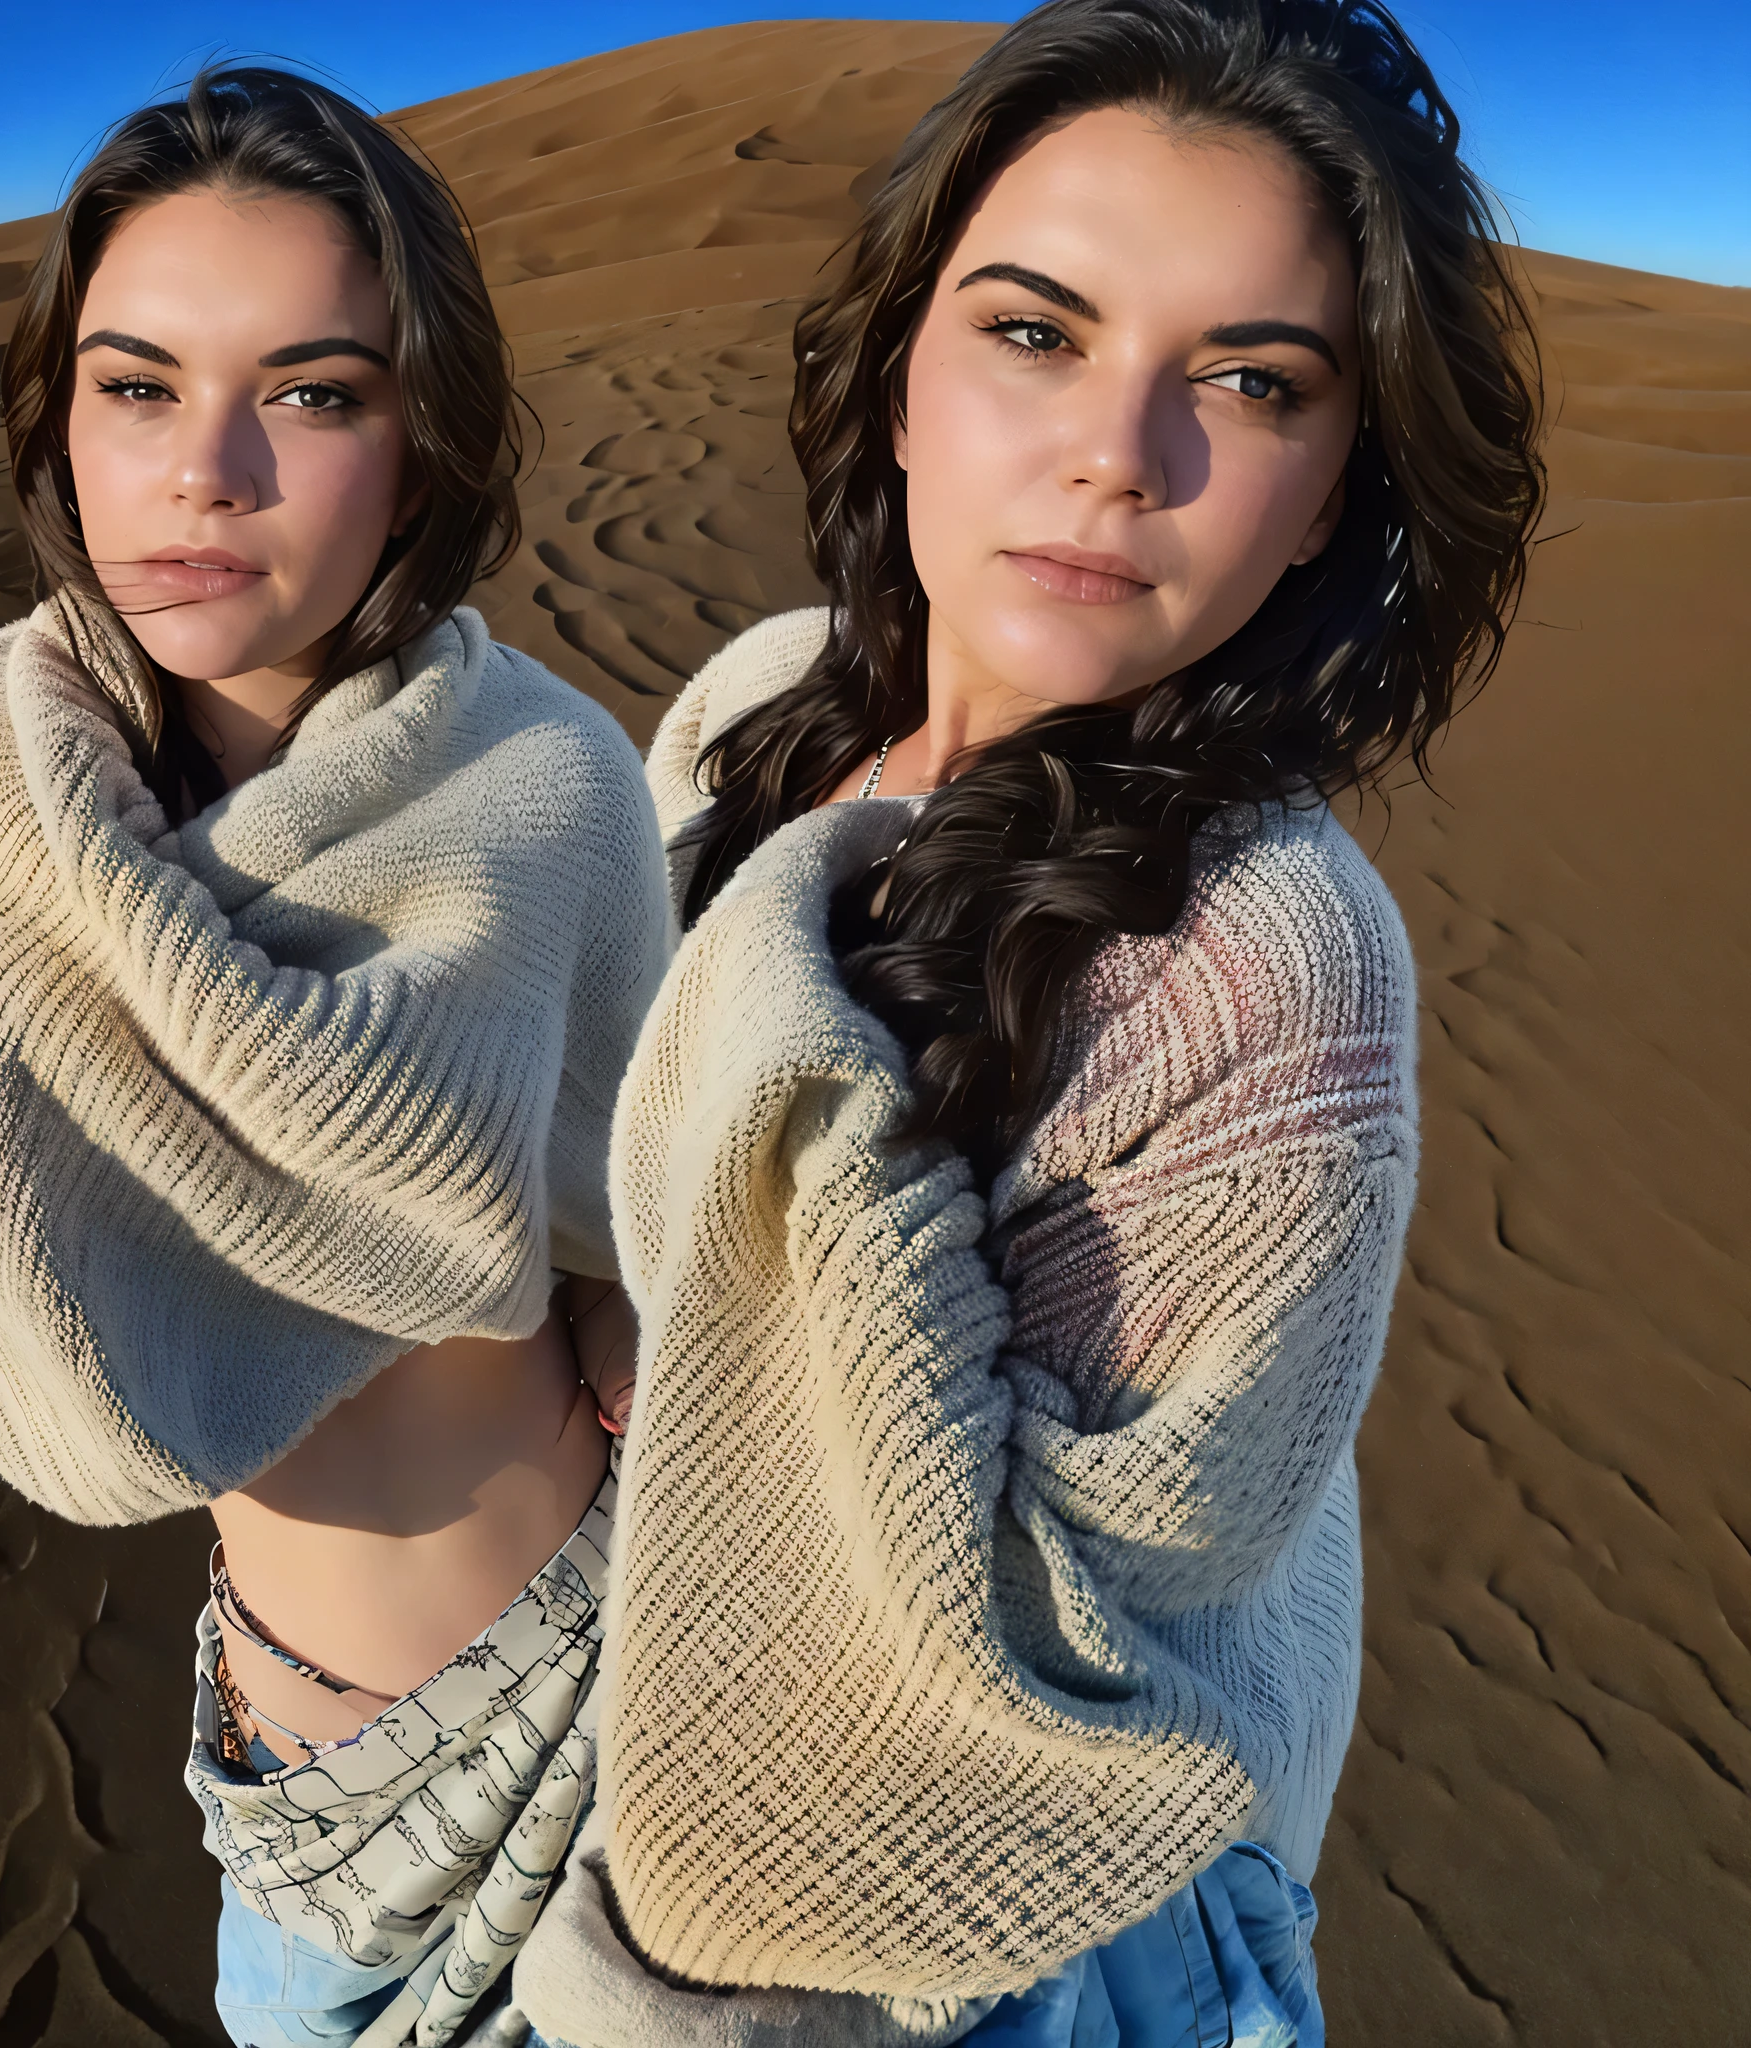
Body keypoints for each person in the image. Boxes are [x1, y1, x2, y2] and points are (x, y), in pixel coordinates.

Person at [511, 1, 1541, 2043]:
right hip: (611, 1693)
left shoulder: (1260, 966)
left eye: (1247, 383)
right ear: (898, 372)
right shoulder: (751, 711)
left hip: (1047, 1909)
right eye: (1033, 330)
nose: (1113, 453)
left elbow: (1032, 1644)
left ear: (1332, 493)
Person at [0, 68, 668, 2048]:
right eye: (134, 384)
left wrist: (632, 1303)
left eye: (310, 391)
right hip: (281, 1799)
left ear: (418, 436)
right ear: (58, 413)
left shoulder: (548, 784)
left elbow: (645, 1203)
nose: (205, 470)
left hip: (615, 1727)